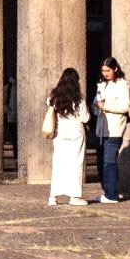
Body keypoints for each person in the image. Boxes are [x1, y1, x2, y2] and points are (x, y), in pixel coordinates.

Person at [45, 67, 89, 206]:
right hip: (76, 132)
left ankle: (53, 196)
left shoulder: (54, 97)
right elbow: (85, 117)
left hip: (60, 132)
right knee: (76, 164)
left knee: (58, 163)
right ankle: (74, 196)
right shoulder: (79, 98)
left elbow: (49, 105)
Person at [92, 57, 130, 204]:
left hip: (114, 128)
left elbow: (125, 106)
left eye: (108, 70)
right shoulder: (102, 84)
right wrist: (95, 107)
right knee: (101, 162)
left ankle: (112, 194)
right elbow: (96, 103)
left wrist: (106, 106)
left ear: (115, 69)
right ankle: (107, 192)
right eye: (103, 70)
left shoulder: (122, 84)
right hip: (101, 129)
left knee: (110, 161)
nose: (105, 73)